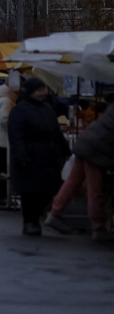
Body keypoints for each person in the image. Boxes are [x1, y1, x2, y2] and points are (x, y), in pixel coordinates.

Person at [7, 78, 70, 237]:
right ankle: (30, 222)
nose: (42, 93)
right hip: (30, 158)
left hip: (49, 158)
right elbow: (16, 136)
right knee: (30, 193)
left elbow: (56, 132)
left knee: (49, 190)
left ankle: (36, 218)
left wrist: (65, 149)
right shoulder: (20, 110)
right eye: (39, 90)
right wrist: (21, 156)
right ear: (30, 92)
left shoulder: (47, 108)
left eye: (43, 89)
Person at [46, 103, 114, 242]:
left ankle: (55, 213)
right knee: (95, 189)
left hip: (87, 142)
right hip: (98, 149)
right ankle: (98, 227)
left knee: (72, 182)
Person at [0, 83, 17, 201]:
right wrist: (15, 129)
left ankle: (0, 196)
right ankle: (2, 196)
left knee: (1, 167)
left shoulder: (2, 99)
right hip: (4, 140)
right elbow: (4, 119)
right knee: (4, 168)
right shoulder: (7, 101)